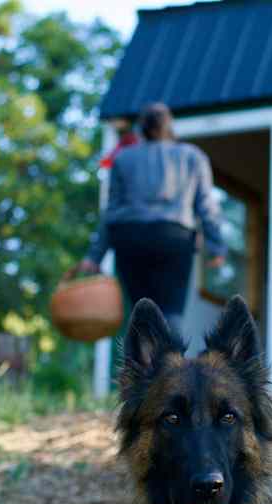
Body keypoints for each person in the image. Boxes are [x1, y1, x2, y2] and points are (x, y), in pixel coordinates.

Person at [81, 103, 225, 332]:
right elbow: (206, 205)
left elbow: (112, 211)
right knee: (171, 311)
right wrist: (216, 247)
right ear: (170, 126)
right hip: (175, 238)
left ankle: (140, 366)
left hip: (130, 237)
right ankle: (171, 367)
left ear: (141, 128)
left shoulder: (123, 159)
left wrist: (94, 256)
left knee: (141, 312)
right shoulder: (192, 157)